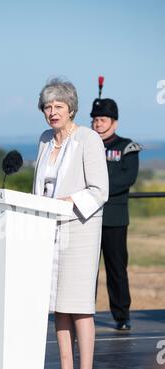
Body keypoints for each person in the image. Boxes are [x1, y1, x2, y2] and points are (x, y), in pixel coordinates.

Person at [33, 78, 108, 369]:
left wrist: (67, 201)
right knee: (58, 309)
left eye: (58, 106)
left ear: (71, 108)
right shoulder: (44, 140)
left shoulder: (88, 139)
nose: (52, 112)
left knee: (79, 307)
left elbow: (99, 190)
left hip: (80, 230)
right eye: (48, 107)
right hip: (50, 232)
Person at [91, 77, 141, 331]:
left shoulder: (126, 147)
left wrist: (96, 188)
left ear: (114, 122)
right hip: (86, 217)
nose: (98, 123)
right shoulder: (84, 145)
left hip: (113, 218)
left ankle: (122, 315)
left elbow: (126, 178)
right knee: (86, 270)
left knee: (116, 269)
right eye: (95, 119)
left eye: (102, 119)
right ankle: (83, 314)